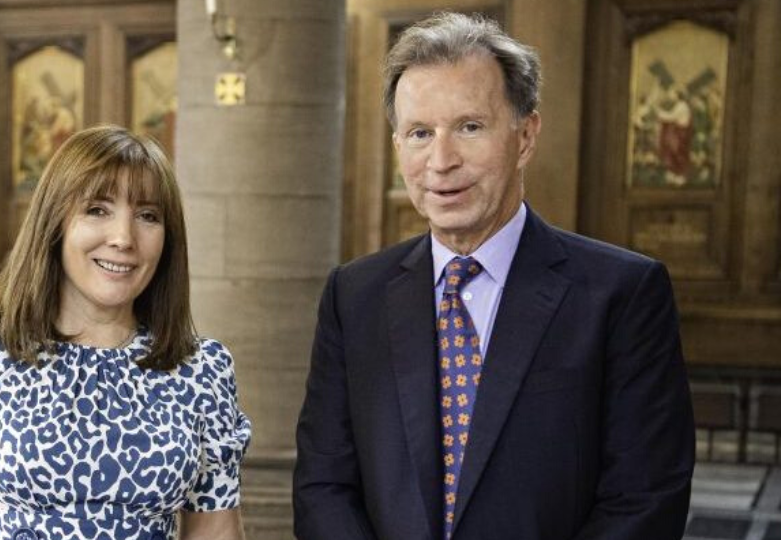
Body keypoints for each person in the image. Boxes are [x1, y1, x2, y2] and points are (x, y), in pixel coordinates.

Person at [293, 12, 694, 540]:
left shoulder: (621, 293)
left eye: (469, 127)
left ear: (525, 136)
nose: (441, 160)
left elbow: (646, 497)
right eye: (419, 133)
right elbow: (323, 485)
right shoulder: (355, 295)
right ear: (397, 148)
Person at [0, 125, 251, 540]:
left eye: (147, 216)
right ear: (56, 224)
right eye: (97, 210)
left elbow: (213, 532)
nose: (124, 238)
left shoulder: (200, 368)